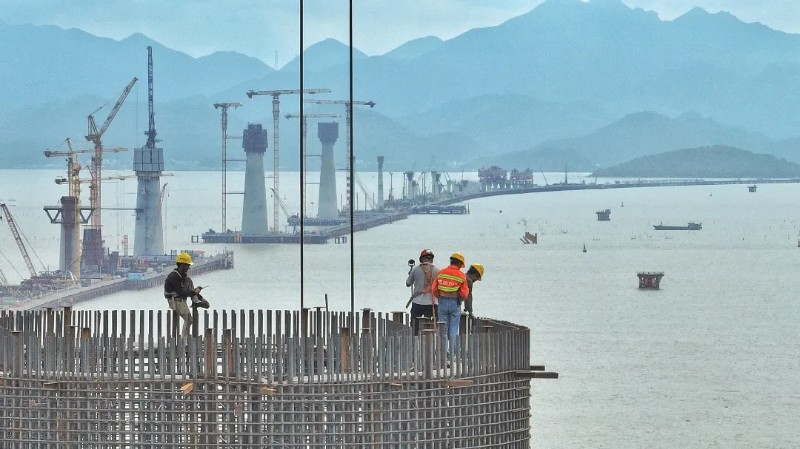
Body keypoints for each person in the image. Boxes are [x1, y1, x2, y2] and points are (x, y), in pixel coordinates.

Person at [164, 252, 209, 344]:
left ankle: (195, 300)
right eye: (187, 265)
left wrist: (197, 295)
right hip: (175, 301)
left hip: (181, 299)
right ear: (182, 265)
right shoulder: (174, 276)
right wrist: (193, 292)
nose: (189, 267)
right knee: (189, 320)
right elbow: (181, 293)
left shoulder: (183, 276)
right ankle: (183, 341)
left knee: (188, 280)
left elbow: (186, 290)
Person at [431, 252, 469, 357]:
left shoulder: (442, 272)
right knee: (453, 328)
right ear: (459, 263)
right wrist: (459, 299)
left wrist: (439, 296)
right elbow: (464, 293)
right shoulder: (461, 275)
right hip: (454, 302)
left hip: (442, 301)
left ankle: (443, 352)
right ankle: (452, 353)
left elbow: (434, 289)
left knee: (443, 328)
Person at [405, 248, 439, 335]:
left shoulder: (415, 270)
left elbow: (408, 283)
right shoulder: (437, 271)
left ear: (421, 259)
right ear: (431, 259)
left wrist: (411, 275)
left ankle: (415, 340)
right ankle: (430, 341)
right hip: (432, 302)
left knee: (415, 325)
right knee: (432, 325)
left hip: (418, 301)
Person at [464, 263, 484, 332]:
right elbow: (468, 296)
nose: (475, 281)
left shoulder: (462, 276)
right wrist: (470, 312)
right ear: (475, 275)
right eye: (477, 278)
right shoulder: (469, 281)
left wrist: (466, 308)